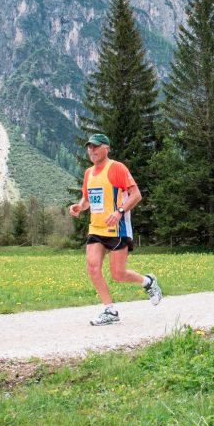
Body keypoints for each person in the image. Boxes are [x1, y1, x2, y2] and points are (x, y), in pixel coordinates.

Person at [70, 133, 162, 326]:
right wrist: (79, 206)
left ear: (106, 148)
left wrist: (119, 212)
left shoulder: (117, 168)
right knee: (92, 267)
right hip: (96, 229)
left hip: (117, 229)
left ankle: (148, 282)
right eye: (89, 147)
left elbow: (136, 195)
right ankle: (109, 310)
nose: (92, 150)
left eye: (96, 146)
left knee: (117, 274)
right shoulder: (88, 173)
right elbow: (87, 199)